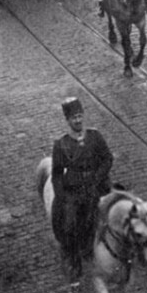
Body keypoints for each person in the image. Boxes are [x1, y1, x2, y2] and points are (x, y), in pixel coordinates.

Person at [51, 97, 113, 282]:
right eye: (73, 118)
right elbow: (56, 173)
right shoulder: (61, 144)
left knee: (116, 215)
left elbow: (107, 159)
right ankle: (74, 261)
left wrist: (97, 177)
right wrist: (62, 197)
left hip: (97, 187)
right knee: (70, 225)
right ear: (67, 120)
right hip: (75, 191)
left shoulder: (95, 136)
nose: (77, 121)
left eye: (79, 116)